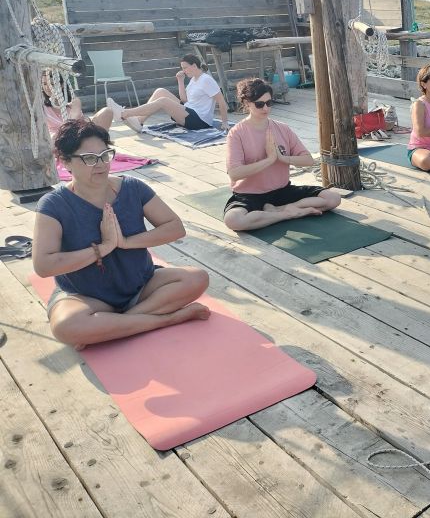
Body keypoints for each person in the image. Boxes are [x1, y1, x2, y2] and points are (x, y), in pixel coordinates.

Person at [32, 119, 211, 349]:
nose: (100, 164)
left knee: (197, 278)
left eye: (105, 155)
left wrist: (125, 242)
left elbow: (175, 227)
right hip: (86, 297)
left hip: (142, 288)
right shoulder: (53, 204)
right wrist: (104, 247)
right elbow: (44, 265)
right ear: (65, 162)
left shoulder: (132, 188)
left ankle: (116, 325)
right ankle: (167, 319)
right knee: (66, 326)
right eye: (89, 158)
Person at [223, 78, 341, 231]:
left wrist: (282, 158)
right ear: (246, 103)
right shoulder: (236, 133)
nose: (266, 108)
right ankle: (287, 214)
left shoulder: (282, 128)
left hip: (282, 191)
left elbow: (308, 160)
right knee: (233, 220)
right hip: (250, 194)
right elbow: (234, 174)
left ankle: (282, 208)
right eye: (259, 104)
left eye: (269, 103)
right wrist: (270, 159)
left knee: (333, 198)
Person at [107, 54, 228, 133]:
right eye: (182, 68)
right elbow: (185, 100)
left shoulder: (206, 80)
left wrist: (224, 123)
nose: (183, 71)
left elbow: (222, 102)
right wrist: (180, 81)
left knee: (163, 102)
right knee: (161, 92)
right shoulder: (193, 79)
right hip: (189, 111)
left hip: (199, 121)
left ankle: (124, 113)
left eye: (185, 68)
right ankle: (139, 121)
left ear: (195, 66)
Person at [41, 71, 113, 135]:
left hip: (78, 135)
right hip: (58, 140)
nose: (47, 88)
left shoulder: (74, 102)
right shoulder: (41, 106)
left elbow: (74, 121)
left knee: (107, 111)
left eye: (52, 84)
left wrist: (86, 121)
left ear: (62, 85)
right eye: (44, 84)